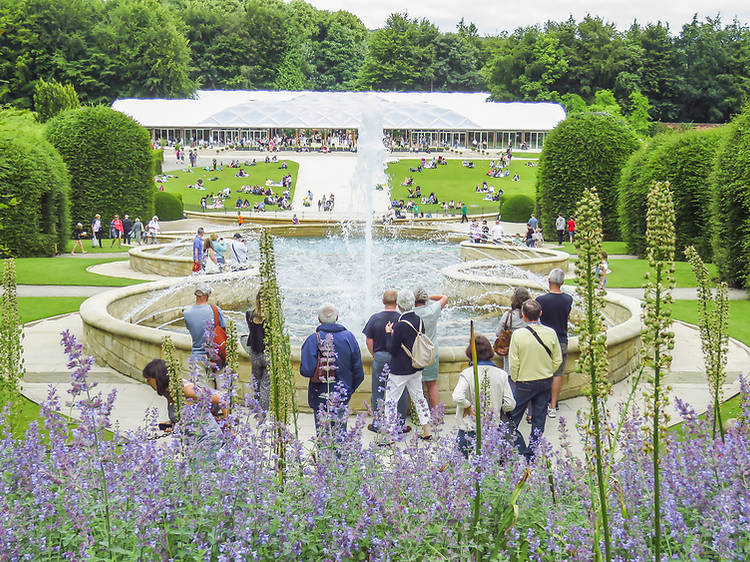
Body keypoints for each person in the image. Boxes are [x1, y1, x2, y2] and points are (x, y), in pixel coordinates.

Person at [299, 303, 365, 437]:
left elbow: (306, 370)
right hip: (342, 394)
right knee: (340, 434)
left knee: (323, 436)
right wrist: (348, 389)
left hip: (320, 396)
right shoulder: (349, 338)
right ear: (337, 317)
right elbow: (359, 372)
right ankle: (340, 458)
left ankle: (324, 458)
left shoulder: (313, 340)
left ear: (319, 319)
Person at [508, 299, 562, 460]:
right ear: (540, 314)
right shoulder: (551, 333)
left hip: (524, 382)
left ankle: (515, 447)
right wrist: (547, 371)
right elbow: (557, 360)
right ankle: (531, 453)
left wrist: (517, 379)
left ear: (523, 316)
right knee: (539, 418)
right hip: (545, 380)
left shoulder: (517, 335)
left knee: (512, 418)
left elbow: (514, 362)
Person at [142, 359, 224, 458]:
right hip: (194, 444)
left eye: (148, 379)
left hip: (208, 441)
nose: (147, 383)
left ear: (157, 377)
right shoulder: (170, 392)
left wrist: (229, 427)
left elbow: (222, 399)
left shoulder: (185, 389)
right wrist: (173, 423)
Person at [452, 335, 516, 458]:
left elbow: (457, 396)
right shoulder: (501, 374)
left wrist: (468, 406)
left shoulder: (467, 373)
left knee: (458, 464)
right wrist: (497, 407)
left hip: (469, 427)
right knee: (489, 466)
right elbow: (510, 404)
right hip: (492, 427)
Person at [384, 290, 433, 439]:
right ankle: (427, 430)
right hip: (415, 367)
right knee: (419, 398)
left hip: (399, 370)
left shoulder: (400, 325)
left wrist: (388, 333)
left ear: (399, 305)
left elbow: (392, 349)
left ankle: (390, 435)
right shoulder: (419, 321)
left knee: (391, 400)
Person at [362, 290, 408, 433]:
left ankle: (378, 423)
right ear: (397, 303)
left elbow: (369, 340)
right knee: (400, 390)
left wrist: (375, 354)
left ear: (383, 301)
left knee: (378, 390)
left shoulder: (375, 318)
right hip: (398, 358)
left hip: (380, 356)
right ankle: (399, 424)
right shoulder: (402, 318)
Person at [536, 268, 573, 418]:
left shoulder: (541, 300)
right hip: (561, 339)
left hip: (544, 340)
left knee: (542, 372)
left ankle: (541, 403)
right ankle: (553, 406)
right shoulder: (568, 299)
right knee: (558, 373)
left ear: (549, 280)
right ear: (562, 282)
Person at [183, 283, 226, 381]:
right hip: (216, 358)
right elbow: (224, 329)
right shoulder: (215, 310)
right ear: (208, 294)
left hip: (197, 358)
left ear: (196, 295)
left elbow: (190, 329)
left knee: (200, 392)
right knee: (220, 393)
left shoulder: (187, 313)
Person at [413, 289, 448, 411]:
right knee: (432, 384)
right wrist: (429, 297)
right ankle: (437, 414)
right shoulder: (433, 310)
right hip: (431, 352)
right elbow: (444, 297)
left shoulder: (411, 313)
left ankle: (418, 414)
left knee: (414, 385)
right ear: (425, 300)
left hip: (415, 353)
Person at [244, 291, 270, 410]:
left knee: (256, 384)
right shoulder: (271, 318)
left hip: (255, 354)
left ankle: (256, 408)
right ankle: (263, 413)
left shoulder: (249, 315)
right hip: (268, 354)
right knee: (265, 385)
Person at [496, 287, 531, 374]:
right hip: (528, 351)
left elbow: (498, 333)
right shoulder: (532, 315)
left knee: (510, 376)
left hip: (511, 351)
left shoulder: (508, 316)